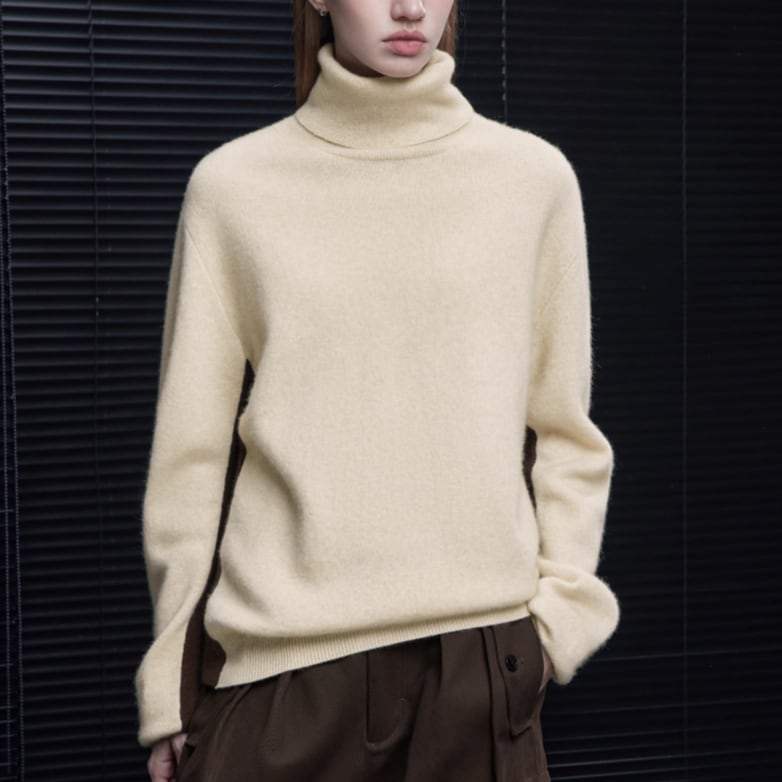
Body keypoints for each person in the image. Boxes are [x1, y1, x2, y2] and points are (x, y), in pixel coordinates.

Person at [137, 1, 620, 780]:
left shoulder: (531, 181)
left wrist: (556, 626)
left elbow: (563, 433)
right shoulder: (234, 189)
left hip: (477, 670)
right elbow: (190, 462)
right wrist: (169, 686)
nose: (410, 8)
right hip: (284, 678)